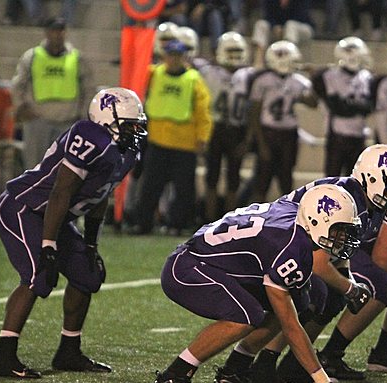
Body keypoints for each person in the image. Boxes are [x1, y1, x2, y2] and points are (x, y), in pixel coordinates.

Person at [150, 183, 362, 383]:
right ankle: (173, 377)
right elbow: (291, 327)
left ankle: (235, 373)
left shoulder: (295, 215)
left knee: (302, 299)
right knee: (247, 315)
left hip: (213, 264)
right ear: (316, 222)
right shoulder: (289, 246)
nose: (343, 238)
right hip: (189, 268)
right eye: (339, 230)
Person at [0, 87, 148, 378]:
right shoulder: (90, 137)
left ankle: (68, 351)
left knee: (88, 276)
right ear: (105, 119)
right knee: (40, 275)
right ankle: (4, 356)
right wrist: (48, 245)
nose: (134, 132)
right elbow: (62, 191)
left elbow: (101, 195)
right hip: (25, 207)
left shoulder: (126, 152)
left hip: (55, 217)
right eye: (128, 125)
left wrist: (90, 245)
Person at [318, 144, 387, 376]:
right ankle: (327, 355)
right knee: (384, 284)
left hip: (353, 252)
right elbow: (384, 256)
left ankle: (385, 351)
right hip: (343, 251)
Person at [132, 39, 212, 235]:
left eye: (178, 55)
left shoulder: (193, 80)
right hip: (158, 141)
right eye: (171, 55)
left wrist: (202, 137)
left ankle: (177, 224)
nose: (174, 59)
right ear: (164, 56)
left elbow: (203, 111)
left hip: (184, 144)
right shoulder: (154, 74)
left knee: (184, 189)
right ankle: (143, 223)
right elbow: (136, 71)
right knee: (150, 186)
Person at [11, 17, 94, 168]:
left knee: (65, 171)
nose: (57, 34)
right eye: (53, 30)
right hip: (38, 121)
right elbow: (18, 84)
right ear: (46, 32)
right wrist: (21, 107)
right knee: (34, 170)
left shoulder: (77, 58)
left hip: (68, 122)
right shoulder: (32, 56)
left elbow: (88, 88)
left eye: (60, 30)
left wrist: (83, 116)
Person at [242, 40, 316, 203]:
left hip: (288, 135)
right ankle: (256, 221)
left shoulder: (298, 81)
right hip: (269, 132)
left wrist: (313, 79)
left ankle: (284, 222)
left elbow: (313, 103)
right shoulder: (263, 80)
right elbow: (255, 112)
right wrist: (260, 142)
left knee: (286, 182)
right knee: (261, 184)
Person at [199, 31, 253, 219]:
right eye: (230, 50)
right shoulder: (207, 72)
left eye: (237, 51)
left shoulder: (248, 75)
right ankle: (208, 219)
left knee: (233, 179)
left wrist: (247, 138)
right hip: (215, 128)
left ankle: (228, 223)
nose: (234, 55)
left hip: (237, 130)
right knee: (211, 177)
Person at [313, 36, 373, 177]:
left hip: (359, 136)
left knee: (357, 181)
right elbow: (339, 108)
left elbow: (368, 108)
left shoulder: (366, 77)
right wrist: (357, 106)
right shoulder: (330, 76)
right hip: (337, 137)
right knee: (331, 181)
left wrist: (350, 105)